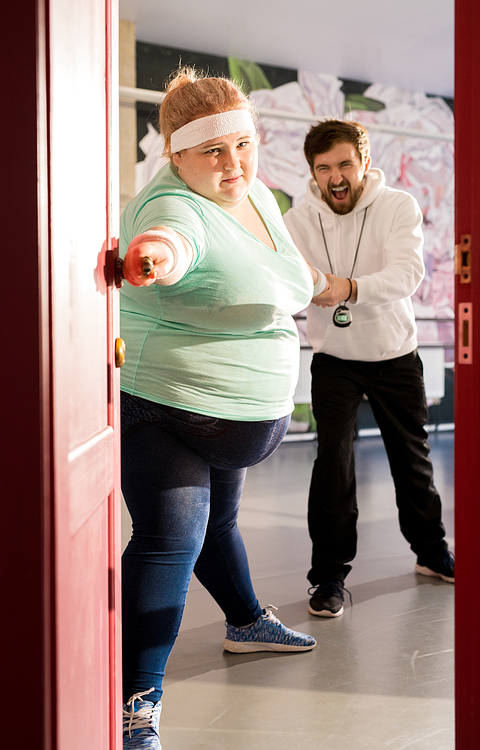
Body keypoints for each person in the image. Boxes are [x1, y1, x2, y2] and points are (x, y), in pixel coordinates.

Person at [119, 68, 323, 750]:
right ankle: (134, 705)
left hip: (233, 417)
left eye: (242, 144)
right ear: (175, 155)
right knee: (173, 539)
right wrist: (154, 259)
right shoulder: (172, 207)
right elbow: (169, 245)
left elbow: (280, 269)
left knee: (220, 524)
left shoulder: (257, 195)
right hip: (170, 408)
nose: (233, 163)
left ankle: (244, 622)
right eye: (213, 150)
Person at [283, 118, 454, 620]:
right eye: (323, 168)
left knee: (412, 462)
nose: (335, 177)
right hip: (334, 360)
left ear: (364, 164)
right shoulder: (297, 221)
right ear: (312, 173)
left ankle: (430, 552)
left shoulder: (398, 206)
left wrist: (347, 288)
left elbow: (408, 273)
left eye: (344, 165)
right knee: (332, 465)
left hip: (395, 355)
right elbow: (291, 283)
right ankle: (329, 576)